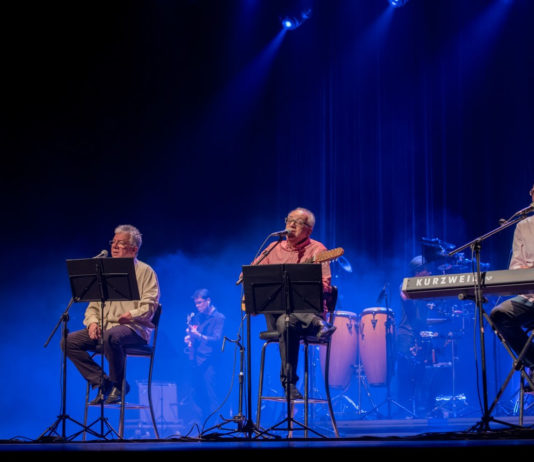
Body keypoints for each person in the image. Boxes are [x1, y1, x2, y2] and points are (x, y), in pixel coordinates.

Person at [62, 224, 160, 405]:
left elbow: (149, 306)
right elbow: (92, 307)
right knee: (69, 341)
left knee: (111, 337)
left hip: (134, 329)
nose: (114, 246)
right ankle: (103, 383)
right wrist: (92, 322)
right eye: (113, 242)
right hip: (107, 330)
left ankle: (118, 385)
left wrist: (130, 315)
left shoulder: (145, 271)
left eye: (120, 243)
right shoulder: (104, 271)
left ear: (134, 249)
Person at [249, 207, 336, 400]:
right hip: (276, 317)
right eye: (289, 219)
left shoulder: (318, 251)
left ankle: (288, 384)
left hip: (303, 319)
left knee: (286, 321)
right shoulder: (272, 248)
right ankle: (319, 324)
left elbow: (325, 286)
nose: (292, 224)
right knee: (283, 319)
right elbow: (249, 275)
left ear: (309, 230)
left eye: (298, 222)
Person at [490, 183, 534, 389]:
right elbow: (516, 267)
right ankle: (533, 361)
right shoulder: (523, 226)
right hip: (530, 297)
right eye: (533, 192)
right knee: (499, 314)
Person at [183, 288, 225, 422]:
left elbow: (217, 340)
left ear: (208, 301)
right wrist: (190, 338)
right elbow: (195, 335)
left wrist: (198, 335)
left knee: (211, 395)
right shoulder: (198, 317)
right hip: (196, 360)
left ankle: (215, 425)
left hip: (211, 362)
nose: (197, 306)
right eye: (196, 303)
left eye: (200, 303)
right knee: (196, 394)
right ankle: (201, 424)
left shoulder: (219, 318)